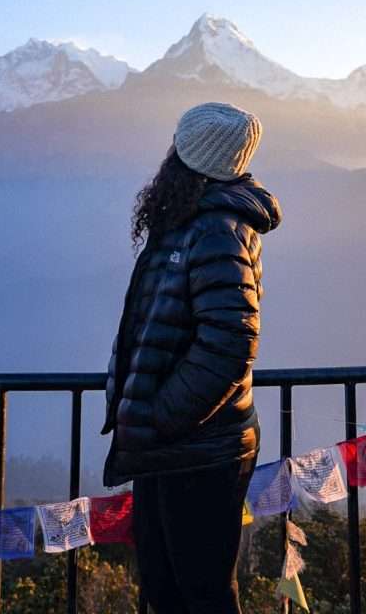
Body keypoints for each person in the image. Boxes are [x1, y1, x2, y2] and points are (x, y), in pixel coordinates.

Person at [100, 101, 282, 614]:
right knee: (165, 590)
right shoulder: (190, 223)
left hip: (201, 446)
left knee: (199, 594)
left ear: (187, 155)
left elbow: (230, 342)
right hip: (176, 445)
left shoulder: (216, 230)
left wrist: (161, 416)